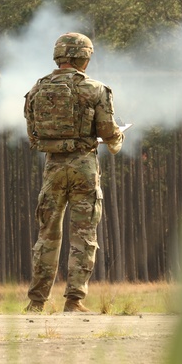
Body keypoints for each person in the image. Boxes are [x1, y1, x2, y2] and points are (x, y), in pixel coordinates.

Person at [23, 32, 124, 314]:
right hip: (84, 167)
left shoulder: (37, 88)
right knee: (83, 235)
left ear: (58, 55)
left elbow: (32, 131)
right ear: (84, 57)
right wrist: (117, 140)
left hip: (53, 167)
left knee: (47, 235)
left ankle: (36, 302)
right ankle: (74, 300)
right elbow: (107, 131)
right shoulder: (95, 89)